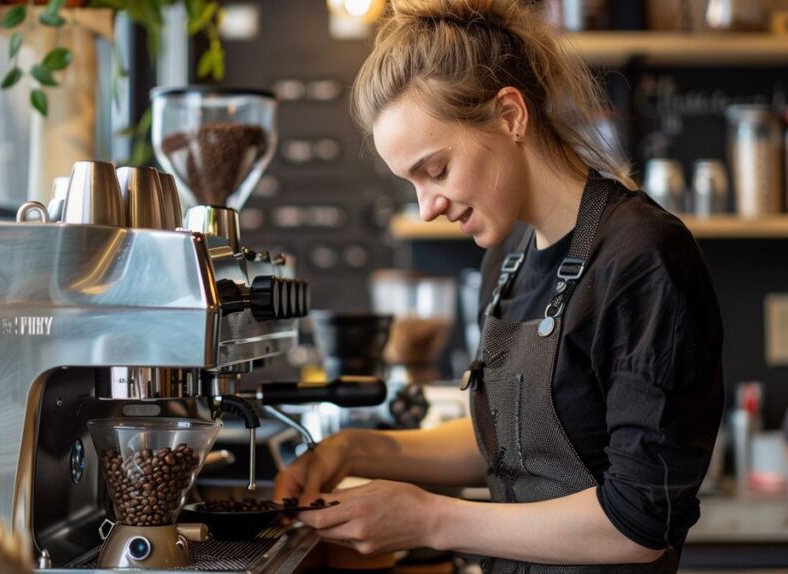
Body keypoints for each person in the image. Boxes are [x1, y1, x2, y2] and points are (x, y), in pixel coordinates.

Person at [273, 1, 725, 572]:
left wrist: (428, 519)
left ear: (510, 115)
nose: (427, 206)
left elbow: (639, 523)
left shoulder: (641, 258)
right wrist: (354, 449)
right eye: (410, 182)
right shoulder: (509, 257)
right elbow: (512, 441)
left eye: (435, 170)